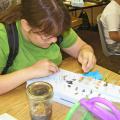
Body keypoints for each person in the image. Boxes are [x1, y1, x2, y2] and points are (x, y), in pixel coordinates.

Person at [0, 0, 96, 95]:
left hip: (52, 93)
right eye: (47, 36)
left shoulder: (55, 26)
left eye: (57, 35)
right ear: (26, 25)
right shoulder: (4, 36)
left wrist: (86, 52)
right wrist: (31, 71)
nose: (54, 40)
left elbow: (82, 47)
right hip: (16, 101)